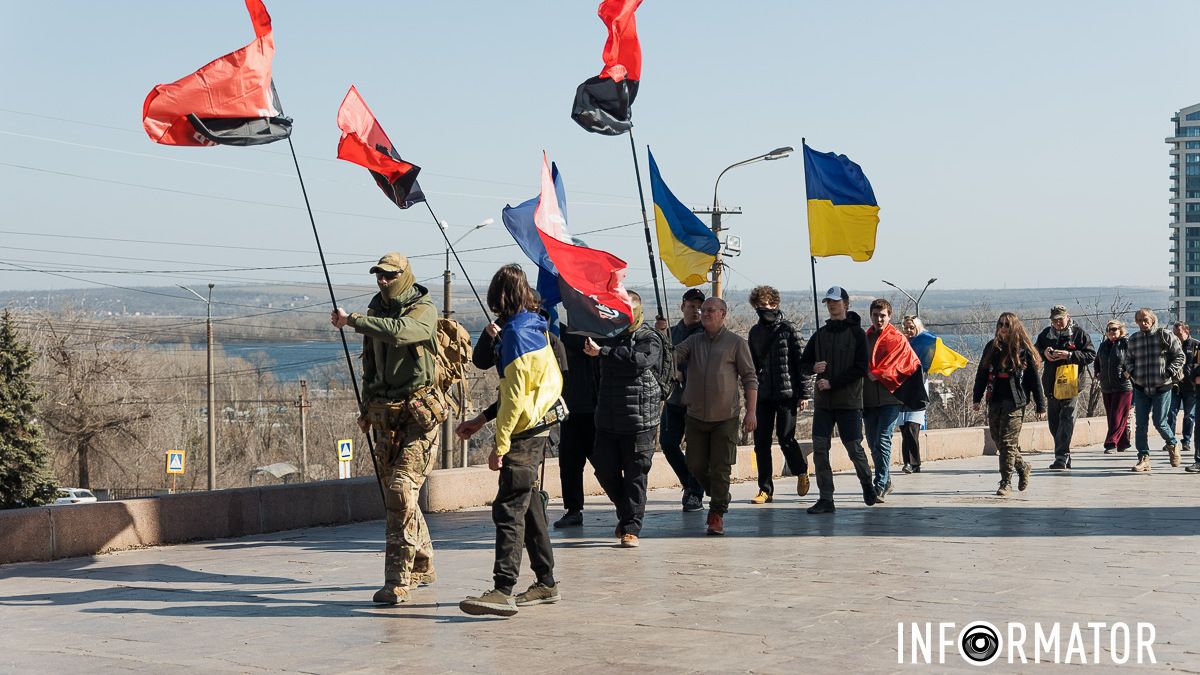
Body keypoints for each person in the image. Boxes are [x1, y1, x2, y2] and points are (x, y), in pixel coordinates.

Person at [330, 252, 440, 605]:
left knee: (398, 490)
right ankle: (422, 560)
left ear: (404, 276)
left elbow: (404, 333)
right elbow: (371, 369)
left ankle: (397, 580)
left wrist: (355, 321)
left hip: (420, 419)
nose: (382, 280)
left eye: (389, 275)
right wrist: (366, 408)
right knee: (401, 494)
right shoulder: (375, 312)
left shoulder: (423, 310)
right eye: (378, 275)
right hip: (385, 420)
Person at [458, 264, 563, 617]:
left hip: (524, 431)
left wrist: (499, 445)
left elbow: (515, 397)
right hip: (540, 422)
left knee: (508, 509)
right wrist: (481, 419)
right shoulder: (536, 327)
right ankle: (546, 583)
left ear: (499, 298)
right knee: (529, 506)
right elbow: (519, 390)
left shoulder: (517, 335)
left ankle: (503, 589)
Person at [583, 291, 662, 547]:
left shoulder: (649, 338)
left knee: (636, 475)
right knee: (604, 470)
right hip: (607, 418)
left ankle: (631, 528)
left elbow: (639, 361)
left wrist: (604, 352)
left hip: (639, 421)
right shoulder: (607, 337)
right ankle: (626, 512)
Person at [673, 297, 757, 535]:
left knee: (721, 468)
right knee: (696, 464)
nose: (705, 314)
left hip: (726, 418)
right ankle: (720, 492)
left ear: (723, 314)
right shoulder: (694, 341)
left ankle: (717, 512)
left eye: (711, 310)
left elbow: (750, 378)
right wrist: (662, 337)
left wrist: (751, 412)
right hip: (696, 416)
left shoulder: (736, 343)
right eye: (703, 310)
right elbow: (673, 356)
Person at [798, 286, 876, 514]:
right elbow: (803, 364)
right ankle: (826, 498)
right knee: (820, 450)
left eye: (836, 301)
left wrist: (833, 382)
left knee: (854, 448)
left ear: (845, 304)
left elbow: (861, 368)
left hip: (849, 403)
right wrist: (813, 368)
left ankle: (866, 484)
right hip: (823, 404)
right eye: (828, 302)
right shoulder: (820, 335)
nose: (832, 305)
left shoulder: (857, 334)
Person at [746, 285, 811, 504]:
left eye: (766, 306)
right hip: (764, 394)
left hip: (787, 393)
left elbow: (800, 363)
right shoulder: (754, 333)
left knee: (786, 438)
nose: (763, 310)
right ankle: (765, 489)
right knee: (761, 443)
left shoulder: (787, 329)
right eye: (759, 306)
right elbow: (752, 367)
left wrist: (804, 394)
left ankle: (801, 470)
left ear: (775, 305)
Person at [972, 312, 1046, 497]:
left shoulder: (1023, 350)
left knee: (1007, 442)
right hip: (994, 399)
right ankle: (1022, 465)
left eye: (1007, 325)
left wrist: (1040, 405)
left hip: (1015, 401)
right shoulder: (991, 347)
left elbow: (1034, 380)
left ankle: (1005, 482)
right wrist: (976, 398)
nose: (1003, 328)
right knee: (999, 440)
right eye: (1000, 324)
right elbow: (981, 375)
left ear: (1014, 328)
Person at [654, 288, 707, 511]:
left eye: (699, 307)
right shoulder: (671, 333)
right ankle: (690, 484)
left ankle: (695, 493)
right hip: (674, 399)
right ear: (682, 306)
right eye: (692, 306)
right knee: (667, 443)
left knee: (696, 449)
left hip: (697, 401)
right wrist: (658, 334)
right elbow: (658, 359)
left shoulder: (706, 334)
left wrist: (684, 370)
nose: (696, 310)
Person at [862, 299, 921, 502]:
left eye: (883, 316)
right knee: (872, 442)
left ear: (889, 316)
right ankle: (886, 480)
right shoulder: (866, 337)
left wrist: (879, 373)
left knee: (883, 439)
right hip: (868, 399)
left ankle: (879, 484)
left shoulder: (897, 338)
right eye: (875, 315)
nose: (879, 319)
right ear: (870, 316)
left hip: (890, 398)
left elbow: (906, 365)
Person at [1033, 305, 1095, 470]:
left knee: (1066, 420)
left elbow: (1090, 355)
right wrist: (1044, 353)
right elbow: (1034, 352)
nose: (1058, 323)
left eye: (1061, 319)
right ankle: (1064, 454)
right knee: (1054, 424)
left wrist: (1069, 355)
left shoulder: (1079, 334)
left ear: (1068, 317)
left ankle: (1061, 457)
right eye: (1054, 320)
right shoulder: (1046, 334)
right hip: (1051, 384)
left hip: (1071, 385)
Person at [550, 325, 600, 528]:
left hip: (595, 410)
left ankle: (625, 508)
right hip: (570, 410)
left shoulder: (598, 331)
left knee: (605, 466)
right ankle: (573, 509)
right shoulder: (558, 333)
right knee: (569, 465)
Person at [1127, 308, 1185, 472]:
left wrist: (1169, 371)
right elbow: (1128, 359)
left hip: (1162, 386)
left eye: (1145, 319)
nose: (1142, 322)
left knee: (1159, 422)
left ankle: (1172, 444)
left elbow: (1179, 356)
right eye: (1139, 320)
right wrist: (1132, 372)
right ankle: (1143, 457)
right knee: (1141, 424)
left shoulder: (1164, 335)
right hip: (1140, 386)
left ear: (1152, 319)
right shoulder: (1134, 339)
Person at [1094, 319, 1132, 455]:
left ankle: (1111, 443)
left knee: (1117, 415)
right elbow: (1097, 360)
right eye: (1109, 329)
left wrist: (1128, 373)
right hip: (1106, 385)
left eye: (1114, 329)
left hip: (1123, 385)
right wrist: (1098, 373)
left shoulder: (1126, 343)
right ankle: (1123, 442)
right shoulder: (1104, 345)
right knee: (1112, 416)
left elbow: (1134, 359)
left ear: (1121, 330)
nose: (1111, 332)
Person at [899, 316, 928, 473]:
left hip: (917, 392)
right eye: (906, 327)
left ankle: (913, 463)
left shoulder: (924, 345)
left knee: (912, 428)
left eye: (911, 327)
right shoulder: (900, 344)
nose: (908, 331)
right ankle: (909, 463)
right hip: (902, 392)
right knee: (904, 429)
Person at [1168, 322, 1200, 462]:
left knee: (1189, 415)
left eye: (1179, 333)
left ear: (1186, 331)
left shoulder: (1195, 345)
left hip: (1191, 387)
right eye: (1175, 334)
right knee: (1171, 413)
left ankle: (1186, 441)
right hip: (1175, 386)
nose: (1177, 336)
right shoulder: (1171, 345)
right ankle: (1171, 441)